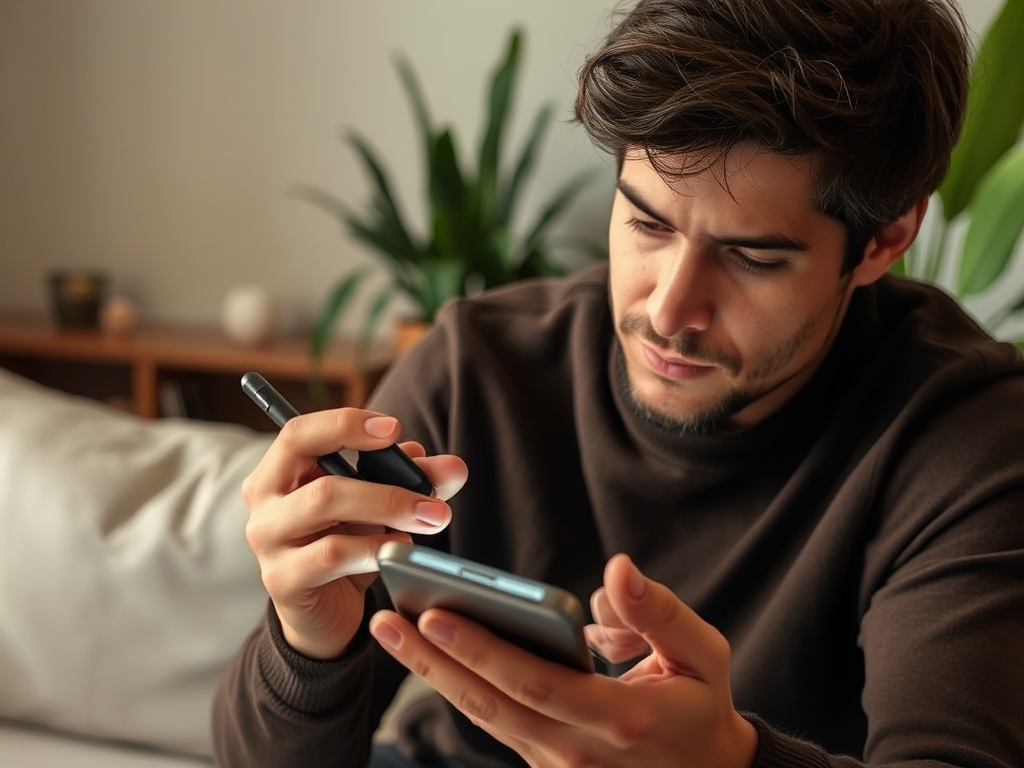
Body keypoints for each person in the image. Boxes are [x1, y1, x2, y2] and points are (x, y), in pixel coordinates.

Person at [212, 0, 1024, 766]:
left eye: (753, 257)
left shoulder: (968, 433)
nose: (670, 310)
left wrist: (738, 762)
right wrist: (307, 640)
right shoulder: (476, 366)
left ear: (885, 239)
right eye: (647, 222)